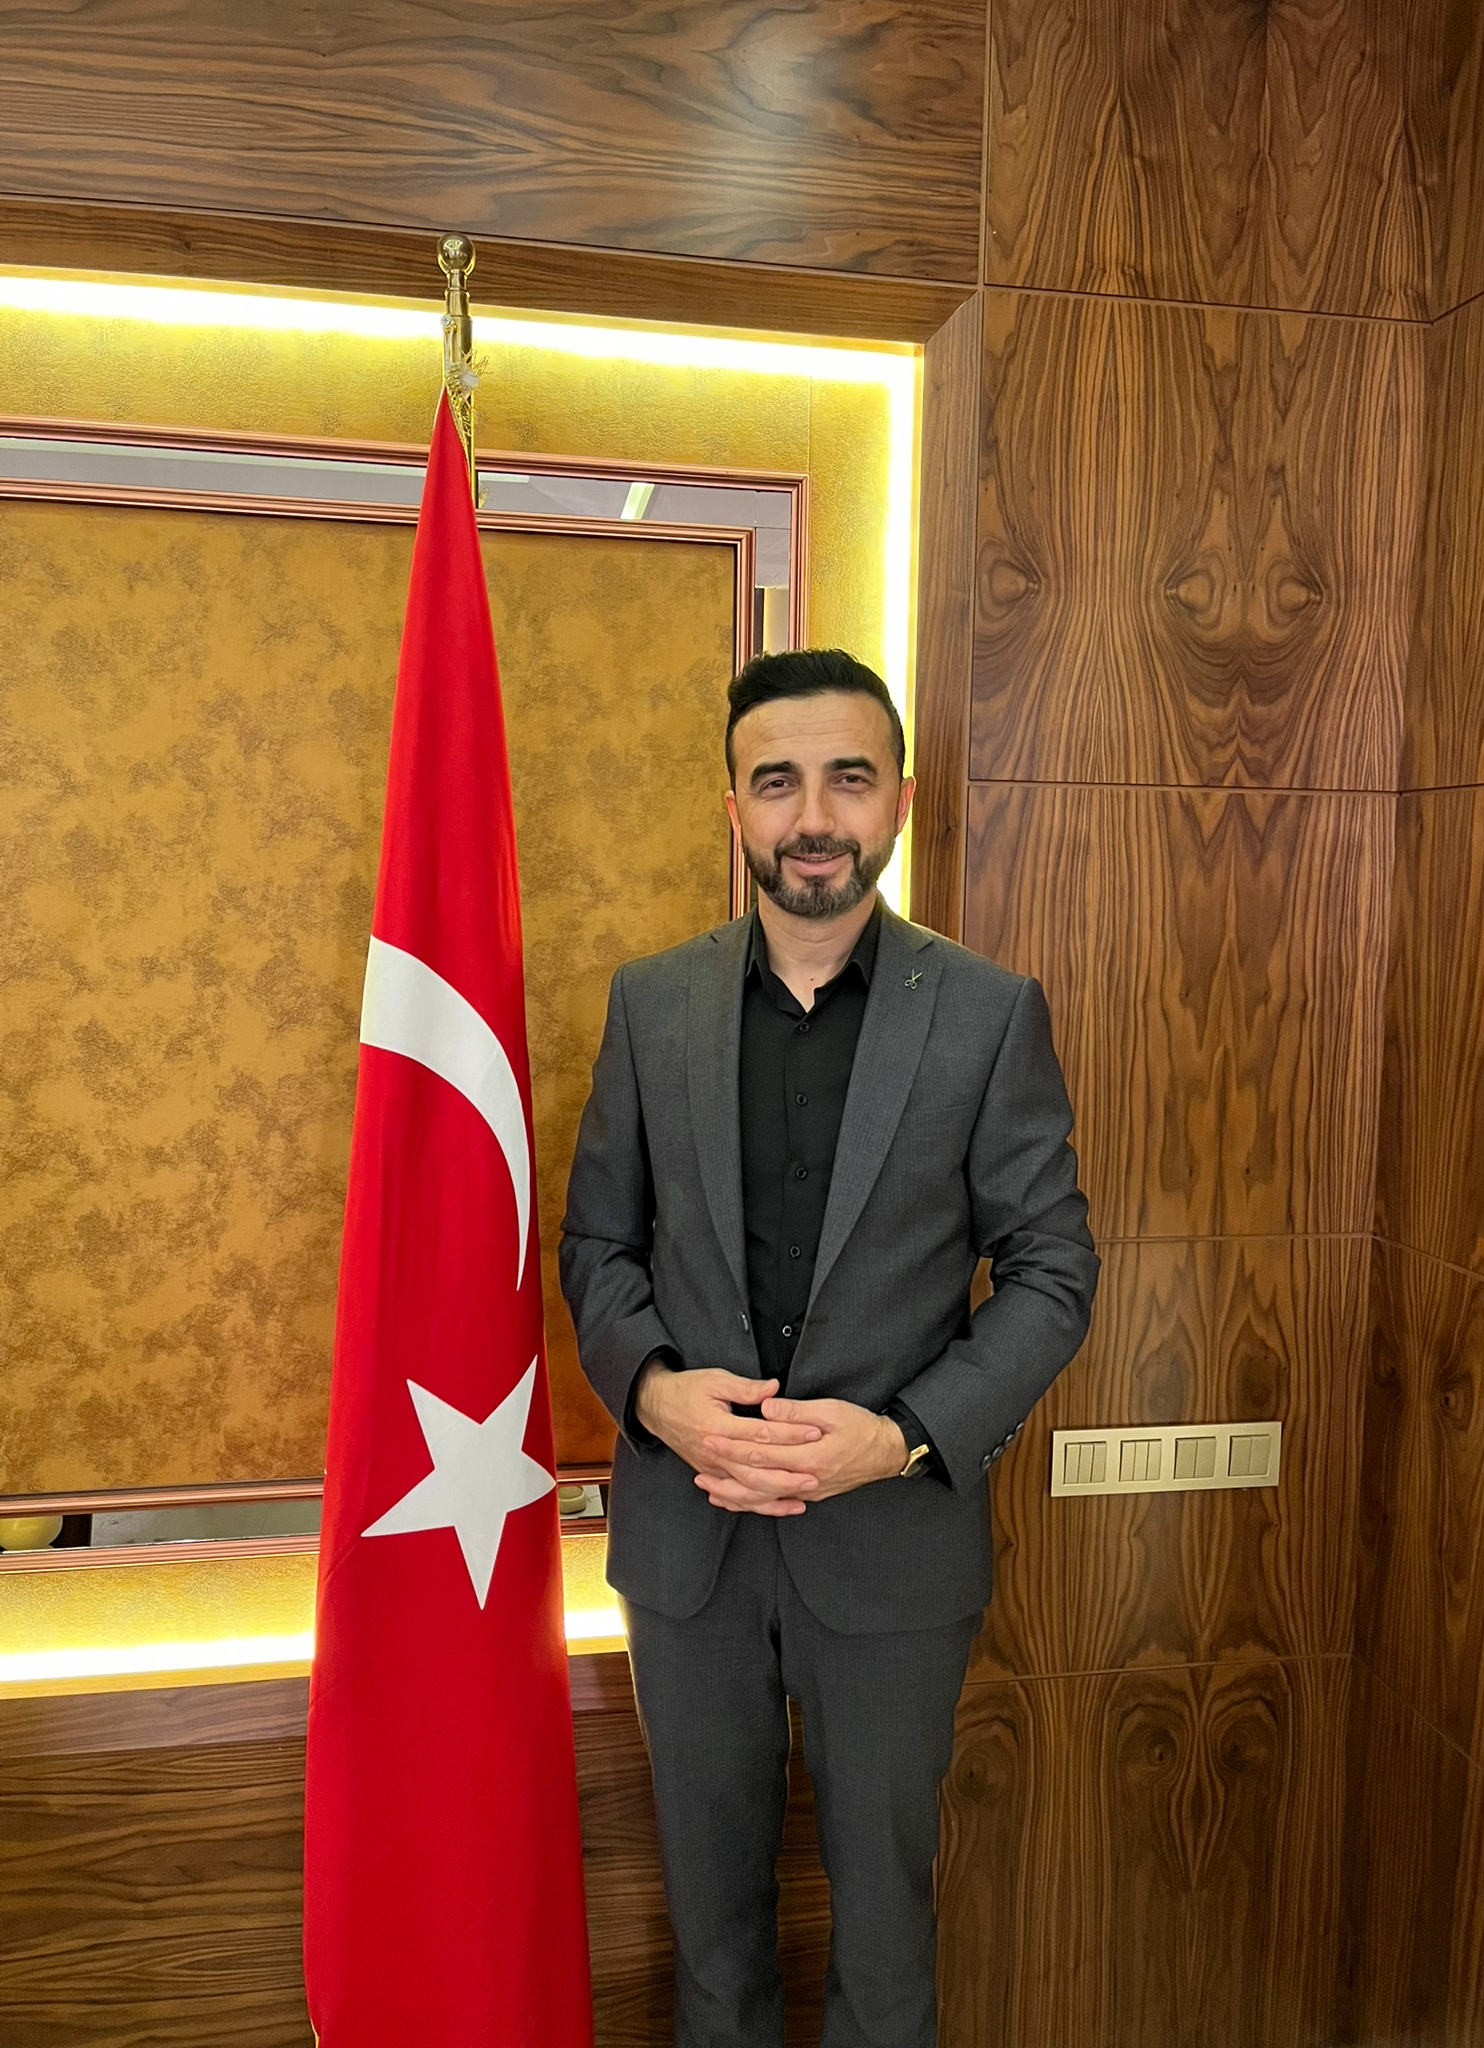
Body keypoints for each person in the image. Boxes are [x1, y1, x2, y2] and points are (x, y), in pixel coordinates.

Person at [560, 648, 1098, 2048]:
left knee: (885, 1937)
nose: (814, 816)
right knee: (714, 1938)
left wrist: (904, 1435)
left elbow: (1053, 1273)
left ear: (900, 800)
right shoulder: (651, 1004)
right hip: (689, 1547)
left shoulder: (987, 1013)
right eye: (778, 781)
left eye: (848, 779)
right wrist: (658, 1397)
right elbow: (597, 1247)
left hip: (894, 1551)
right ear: (733, 806)